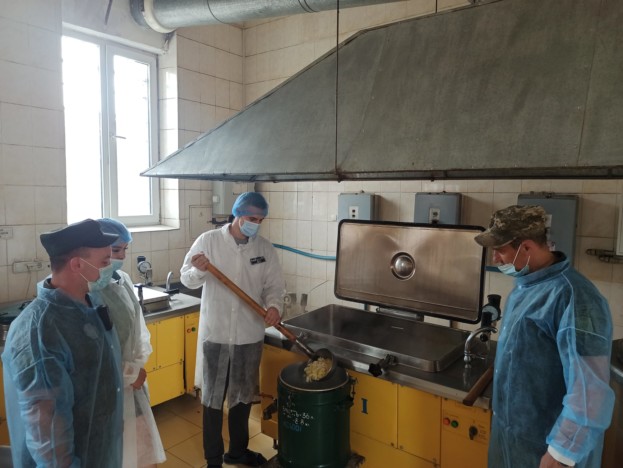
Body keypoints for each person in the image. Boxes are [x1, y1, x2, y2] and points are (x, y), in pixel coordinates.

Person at [474, 205, 615, 468]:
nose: (495, 258)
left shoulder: (575, 298)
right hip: (511, 439)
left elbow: (590, 392)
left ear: (526, 247)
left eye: (500, 250)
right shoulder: (525, 287)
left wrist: (561, 453)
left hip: (547, 450)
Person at [1, 219, 124, 467]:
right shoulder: (39, 332)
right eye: (104, 262)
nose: (110, 268)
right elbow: (49, 441)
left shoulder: (89, 304)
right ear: (77, 264)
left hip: (101, 452)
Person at [180, 192, 286, 468]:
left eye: (260, 220)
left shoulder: (264, 248)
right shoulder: (209, 241)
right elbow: (187, 279)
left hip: (248, 335)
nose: (256, 224)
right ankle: (213, 459)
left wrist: (274, 306)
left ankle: (237, 452)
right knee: (213, 400)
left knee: (242, 398)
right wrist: (199, 270)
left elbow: (274, 286)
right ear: (237, 214)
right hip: (216, 333)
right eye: (251, 218)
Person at [92, 218, 166, 467]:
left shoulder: (121, 279)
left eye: (125, 249)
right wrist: (128, 372)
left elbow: (137, 330)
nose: (122, 256)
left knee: (143, 452)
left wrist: (134, 369)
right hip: (105, 390)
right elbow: (91, 353)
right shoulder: (86, 289)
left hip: (132, 383)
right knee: (114, 453)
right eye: (115, 250)